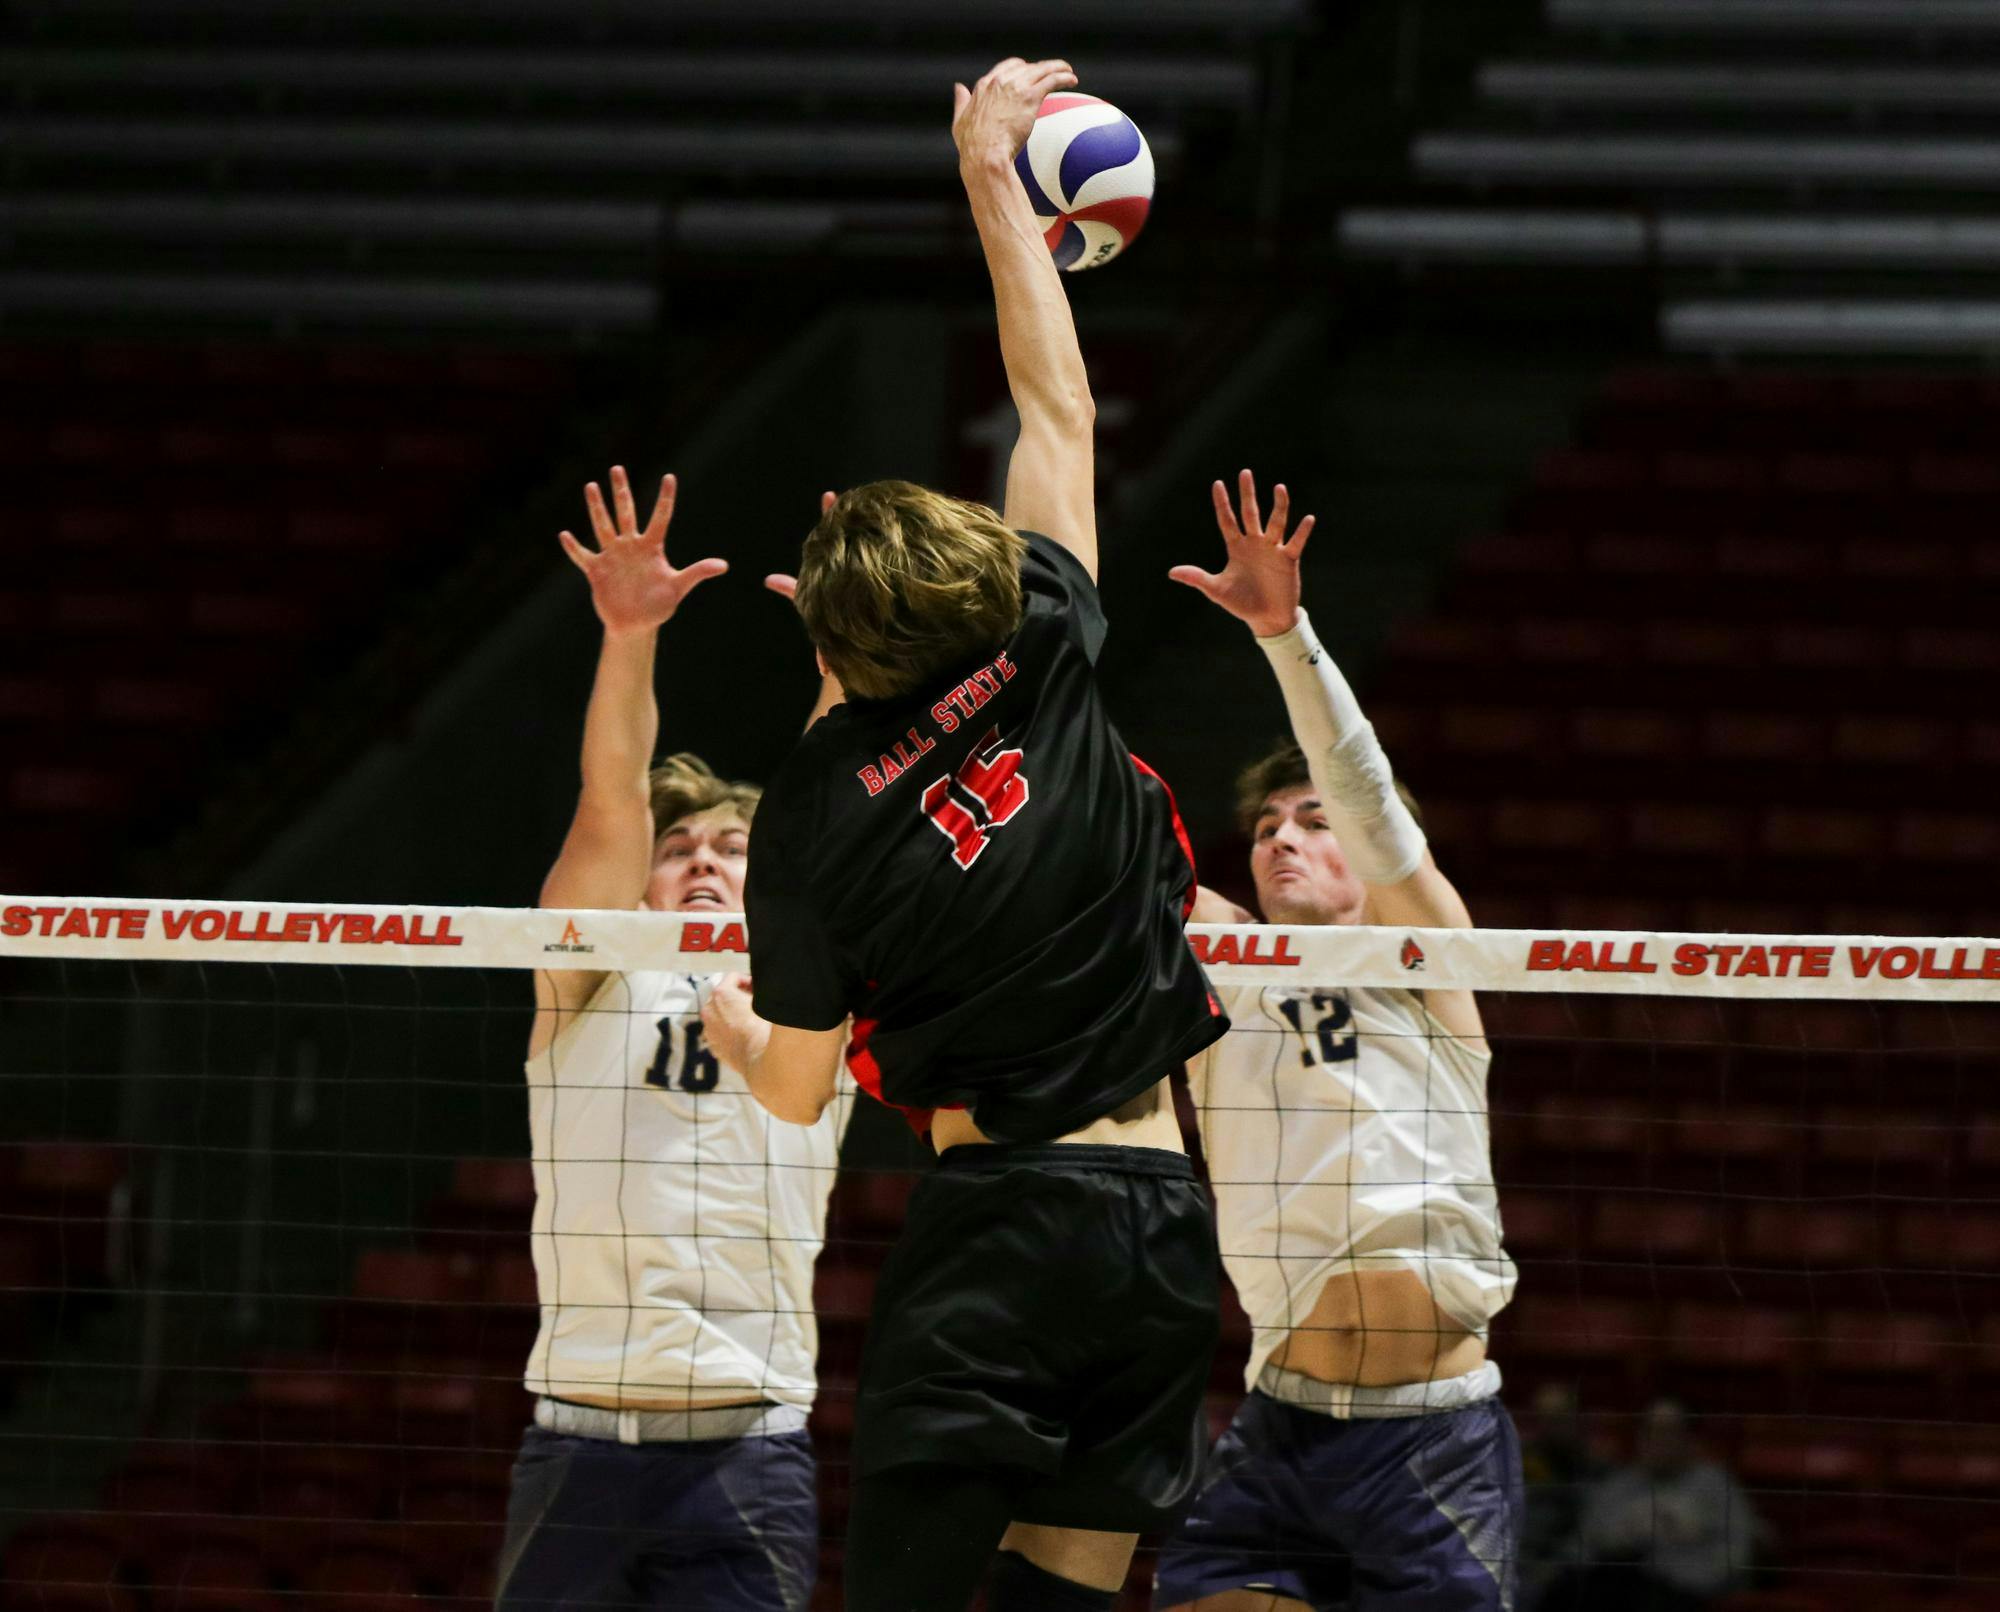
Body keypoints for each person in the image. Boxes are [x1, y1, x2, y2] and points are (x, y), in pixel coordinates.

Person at [698, 57, 1228, 1612]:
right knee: (1064, 1599)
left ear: (834, 649)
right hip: (1160, 1226)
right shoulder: (1050, 631)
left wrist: (736, 1027)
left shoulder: (809, 820)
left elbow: (800, 1092)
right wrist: (993, 176)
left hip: (1000, 1233)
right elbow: (1055, 397)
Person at [1153, 471, 1522, 1612]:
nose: (1281, 837)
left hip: (1431, 1438)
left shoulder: (1424, 963)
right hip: (1280, 1421)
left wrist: (1283, 633)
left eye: (1311, 822)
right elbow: (1081, 820)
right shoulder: (1214, 958)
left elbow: (1368, 799)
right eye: (1264, 824)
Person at [498, 466, 850, 1612]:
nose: (702, 858)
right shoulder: (592, 981)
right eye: (681, 844)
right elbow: (608, 805)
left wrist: (847, 646)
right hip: (579, 1435)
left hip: (748, 1439)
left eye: (732, 848)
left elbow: (832, 799)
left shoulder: (810, 981)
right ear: (642, 887)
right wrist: (628, 634)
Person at [1539, 1400, 1761, 1612]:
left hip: (1685, 1592)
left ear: (1690, 1438)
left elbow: (1736, 1555)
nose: (1658, 1441)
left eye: (1668, 1432)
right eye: (1650, 1431)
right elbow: (1583, 1546)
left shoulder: (1715, 1486)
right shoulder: (1619, 1485)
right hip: (1614, 1588)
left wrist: (1674, 1573)